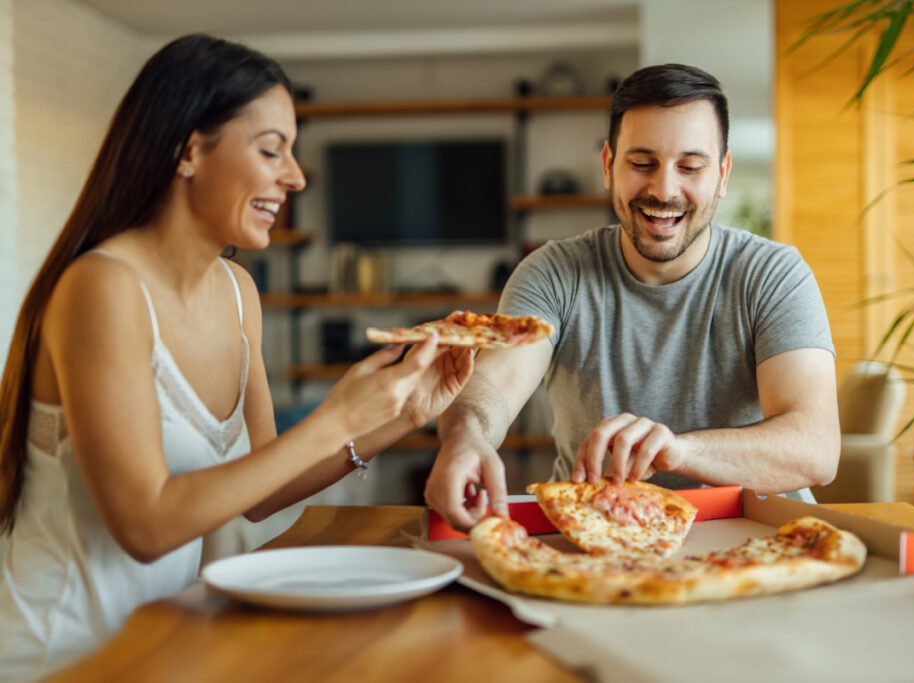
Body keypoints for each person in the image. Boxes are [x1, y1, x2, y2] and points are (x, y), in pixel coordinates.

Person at [0, 34, 474, 680]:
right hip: (63, 655)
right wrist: (334, 418)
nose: (297, 177)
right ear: (189, 150)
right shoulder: (102, 288)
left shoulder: (237, 290)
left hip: (156, 645)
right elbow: (145, 521)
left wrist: (403, 412)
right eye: (271, 150)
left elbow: (259, 488)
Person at [425, 63, 839, 531]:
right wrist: (465, 433)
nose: (664, 189)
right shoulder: (553, 273)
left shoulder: (773, 274)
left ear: (722, 175)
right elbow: (495, 385)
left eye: (690, 166)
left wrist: (677, 451)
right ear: (608, 166)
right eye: (642, 163)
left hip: (757, 539)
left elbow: (816, 448)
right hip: (595, 535)